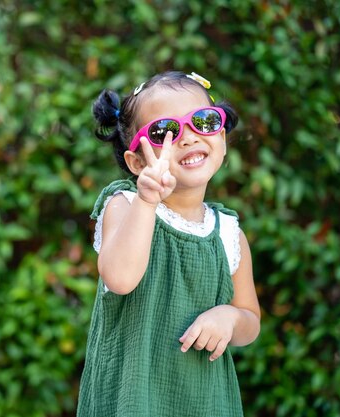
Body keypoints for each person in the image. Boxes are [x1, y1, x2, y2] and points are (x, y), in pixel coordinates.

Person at [77, 71, 260, 416]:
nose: (188, 138)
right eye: (164, 132)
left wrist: (230, 318)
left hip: (206, 402)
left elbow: (251, 321)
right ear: (136, 161)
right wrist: (147, 201)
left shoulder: (229, 232)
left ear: (221, 135)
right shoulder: (126, 205)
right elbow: (119, 277)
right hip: (133, 398)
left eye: (203, 122)